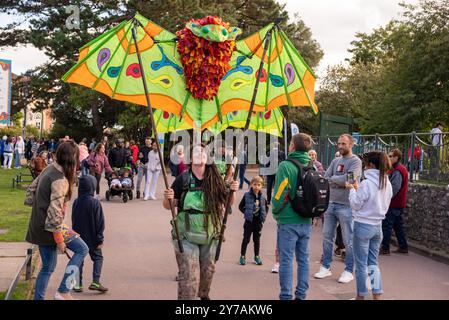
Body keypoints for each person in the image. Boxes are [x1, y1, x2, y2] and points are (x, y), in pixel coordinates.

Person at [163, 143, 239, 300]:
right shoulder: (182, 178)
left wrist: (233, 191)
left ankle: (204, 295)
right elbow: (168, 206)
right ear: (190, 158)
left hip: (210, 235)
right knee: (189, 277)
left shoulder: (216, 178)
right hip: (185, 236)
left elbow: (227, 203)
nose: (200, 154)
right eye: (196, 152)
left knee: (207, 272)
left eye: (203, 152)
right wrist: (168, 198)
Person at [25, 140, 89, 300]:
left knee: (50, 265)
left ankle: (58, 292)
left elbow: (31, 191)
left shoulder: (50, 167)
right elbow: (54, 213)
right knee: (52, 265)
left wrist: (40, 205)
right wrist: (59, 240)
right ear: (72, 159)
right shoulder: (60, 179)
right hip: (49, 227)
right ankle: (62, 291)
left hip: (43, 224)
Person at [314, 134, 362, 284]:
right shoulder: (335, 160)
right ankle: (325, 267)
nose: (340, 146)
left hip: (347, 206)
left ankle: (349, 270)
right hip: (331, 203)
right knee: (327, 237)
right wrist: (338, 180)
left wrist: (335, 179)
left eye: (343, 144)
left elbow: (349, 180)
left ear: (351, 144)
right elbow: (325, 178)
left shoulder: (356, 161)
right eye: (339, 144)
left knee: (348, 241)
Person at [272, 133, 314, 300]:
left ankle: (286, 296)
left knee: (287, 261)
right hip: (306, 219)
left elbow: (280, 194)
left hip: (288, 220)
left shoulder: (285, 166)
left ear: (293, 147)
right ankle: (301, 295)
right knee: (304, 260)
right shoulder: (312, 165)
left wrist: (275, 211)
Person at [346, 151, 392, 300]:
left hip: (363, 226)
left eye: (365, 163)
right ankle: (376, 295)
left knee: (360, 265)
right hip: (377, 226)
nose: (364, 166)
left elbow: (355, 205)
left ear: (371, 165)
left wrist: (352, 190)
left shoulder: (366, 183)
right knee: (373, 263)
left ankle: (361, 296)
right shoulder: (386, 182)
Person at [71, 174, 108, 293]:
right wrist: (100, 239)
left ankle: (77, 284)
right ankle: (95, 282)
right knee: (98, 258)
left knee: (78, 259)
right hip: (93, 238)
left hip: (79, 238)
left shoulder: (76, 202)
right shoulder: (95, 203)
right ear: (93, 186)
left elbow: (73, 220)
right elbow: (100, 222)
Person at [381, 149, 409, 255]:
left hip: (394, 203)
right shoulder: (397, 169)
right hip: (398, 203)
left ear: (397, 157)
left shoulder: (398, 170)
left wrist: (386, 198)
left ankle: (385, 248)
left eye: (391, 156)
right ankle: (403, 246)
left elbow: (394, 188)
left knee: (387, 225)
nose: (389, 157)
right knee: (398, 226)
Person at [238, 176, 267, 266]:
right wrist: (246, 213)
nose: (256, 187)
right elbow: (240, 206)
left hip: (258, 223)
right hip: (249, 222)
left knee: (257, 240)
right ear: (251, 185)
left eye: (259, 185)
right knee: (246, 239)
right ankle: (242, 256)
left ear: (261, 186)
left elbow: (266, 208)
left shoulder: (262, 197)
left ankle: (256, 256)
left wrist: (263, 218)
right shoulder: (247, 195)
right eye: (255, 184)